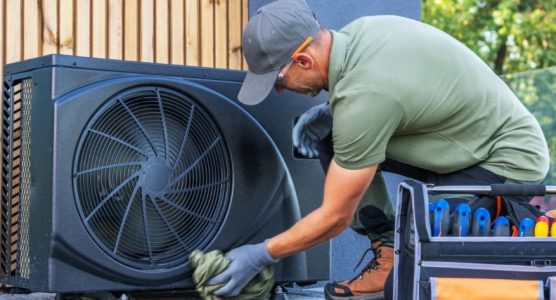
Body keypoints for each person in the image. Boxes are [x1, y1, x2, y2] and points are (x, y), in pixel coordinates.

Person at [206, 0, 550, 299]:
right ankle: (387, 252)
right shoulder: (357, 35)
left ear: (304, 61)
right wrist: (332, 112)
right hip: (461, 136)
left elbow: (335, 216)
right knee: (335, 134)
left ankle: (397, 263)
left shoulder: (365, 97)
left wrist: (261, 254)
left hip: (505, 156)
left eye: (278, 80)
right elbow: (402, 90)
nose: (280, 91)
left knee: (417, 273)